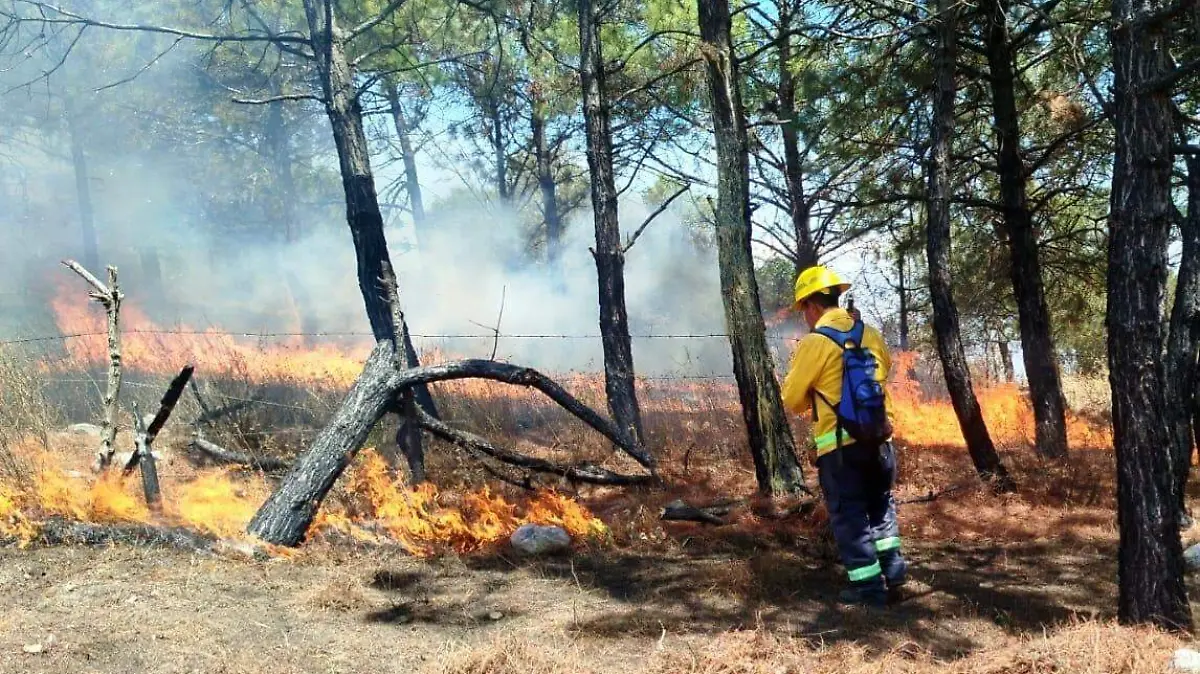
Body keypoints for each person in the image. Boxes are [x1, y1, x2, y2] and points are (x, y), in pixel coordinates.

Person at [780, 265, 908, 608]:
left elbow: (792, 400)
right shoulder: (870, 334)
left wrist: (818, 394)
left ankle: (868, 590)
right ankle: (894, 574)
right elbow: (882, 372)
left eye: (802, 310)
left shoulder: (815, 343)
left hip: (839, 450)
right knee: (880, 507)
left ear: (811, 305)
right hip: (880, 443)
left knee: (849, 516)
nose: (803, 317)